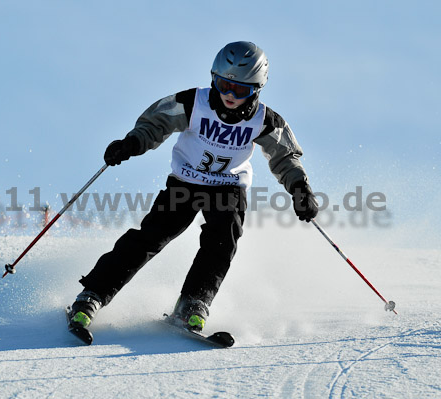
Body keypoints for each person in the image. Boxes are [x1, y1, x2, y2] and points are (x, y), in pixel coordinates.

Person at [68, 41, 319, 332]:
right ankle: (92, 295)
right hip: (185, 182)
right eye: (224, 84)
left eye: (240, 90)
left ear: (257, 89)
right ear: (214, 77)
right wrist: (132, 143)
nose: (229, 95)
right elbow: (156, 123)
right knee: (151, 237)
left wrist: (300, 189)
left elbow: (285, 156)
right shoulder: (192, 103)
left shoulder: (266, 120)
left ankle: (194, 303)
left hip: (228, 186)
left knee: (223, 239)